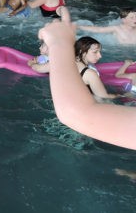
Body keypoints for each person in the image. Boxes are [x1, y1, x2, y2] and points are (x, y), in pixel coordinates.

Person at [40, 15, 136, 150]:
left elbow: (77, 113)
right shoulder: (90, 73)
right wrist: (122, 95)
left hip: (72, 111)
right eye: (96, 52)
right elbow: (100, 99)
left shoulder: (62, 66)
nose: (100, 56)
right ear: (82, 53)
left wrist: (59, 43)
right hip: (88, 111)